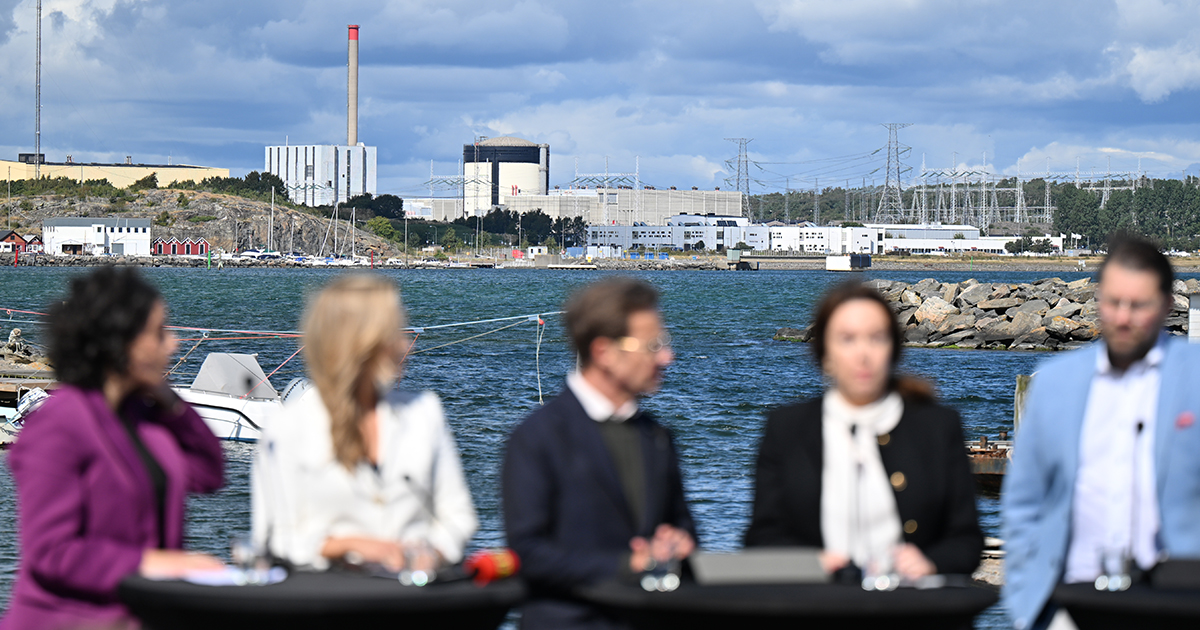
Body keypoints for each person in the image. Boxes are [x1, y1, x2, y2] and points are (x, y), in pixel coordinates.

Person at [2, 266, 225, 630]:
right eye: (159, 333)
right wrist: (152, 564)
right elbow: (51, 551)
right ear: (120, 342)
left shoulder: (145, 416)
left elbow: (209, 472)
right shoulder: (57, 425)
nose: (173, 344)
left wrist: (171, 401)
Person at [1003, 235, 1200, 630]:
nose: (1123, 317)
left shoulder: (1194, 378)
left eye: (1138, 305)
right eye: (1112, 303)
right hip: (1067, 604)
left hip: (1177, 603)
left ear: (1166, 306)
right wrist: (1026, 599)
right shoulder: (1057, 383)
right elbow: (1024, 501)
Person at [744, 282, 983, 581]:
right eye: (847, 339)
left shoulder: (937, 426)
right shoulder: (786, 428)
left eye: (876, 338)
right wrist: (811, 563)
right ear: (824, 353)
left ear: (894, 349)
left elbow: (967, 541)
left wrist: (929, 563)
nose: (863, 354)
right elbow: (760, 539)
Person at [503, 277, 696, 630]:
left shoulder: (657, 437)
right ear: (605, 352)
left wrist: (681, 542)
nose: (668, 356)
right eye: (654, 345)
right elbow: (528, 553)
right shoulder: (537, 438)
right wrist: (626, 565)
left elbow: (683, 524)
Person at [252, 273, 477, 572]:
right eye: (395, 332)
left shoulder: (425, 413)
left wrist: (432, 551)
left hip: (414, 598)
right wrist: (352, 546)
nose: (405, 344)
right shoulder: (287, 427)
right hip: (325, 602)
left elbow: (459, 517)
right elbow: (275, 538)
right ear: (363, 342)